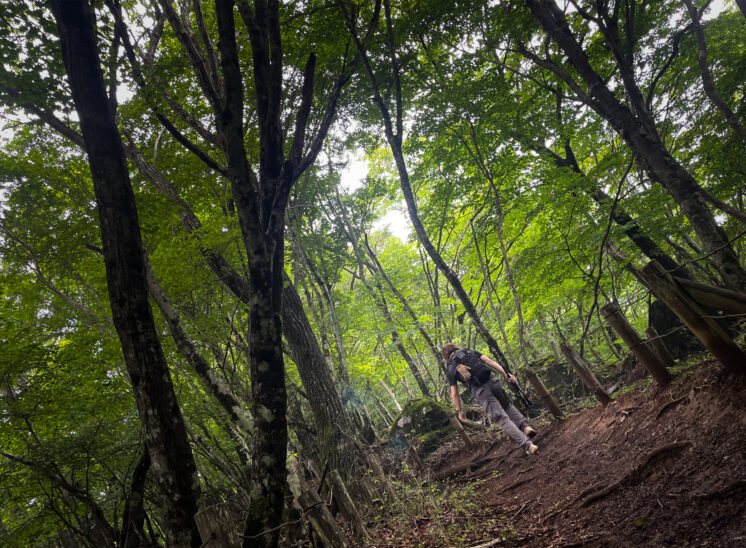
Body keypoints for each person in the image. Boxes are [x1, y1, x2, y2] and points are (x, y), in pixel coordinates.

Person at [443, 343, 539, 455]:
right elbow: (489, 361)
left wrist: (459, 411)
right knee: (507, 405)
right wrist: (506, 374)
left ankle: (528, 446)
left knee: (502, 419)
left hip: (482, 392)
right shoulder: (469, 351)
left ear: (446, 355)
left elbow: (454, 393)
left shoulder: (451, 367)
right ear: (455, 347)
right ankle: (526, 427)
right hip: (494, 382)